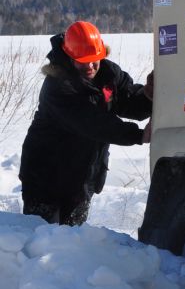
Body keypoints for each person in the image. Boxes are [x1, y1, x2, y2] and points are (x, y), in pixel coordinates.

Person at [19, 21, 153, 226]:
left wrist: (148, 97)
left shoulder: (109, 73)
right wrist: (138, 135)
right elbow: (92, 122)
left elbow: (128, 101)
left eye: (94, 60)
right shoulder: (58, 86)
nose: (90, 66)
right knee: (43, 238)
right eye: (83, 61)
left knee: (75, 239)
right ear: (70, 57)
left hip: (82, 177)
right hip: (45, 178)